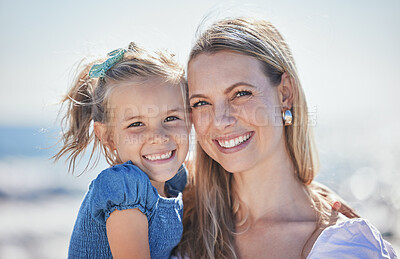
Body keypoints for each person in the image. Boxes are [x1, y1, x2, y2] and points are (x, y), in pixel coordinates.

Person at [175, 17, 397, 258]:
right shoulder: (177, 222)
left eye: (240, 93)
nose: (220, 120)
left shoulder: (347, 248)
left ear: (285, 93)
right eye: (201, 102)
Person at [53, 42, 190, 259]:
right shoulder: (124, 189)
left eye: (171, 118)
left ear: (190, 121)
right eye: (136, 124)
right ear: (107, 136)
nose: (159, 136)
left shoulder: (176, 181)